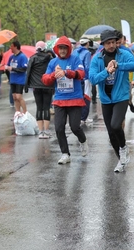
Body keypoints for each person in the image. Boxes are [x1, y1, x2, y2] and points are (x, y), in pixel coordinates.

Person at [89, 29, 134, 172]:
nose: (111, 45)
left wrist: (118, 66)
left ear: (117, 42)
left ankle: (123, 149)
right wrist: (107, 72)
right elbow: (92, 78)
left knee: (116, 125)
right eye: (108, 43)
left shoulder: (123, 54)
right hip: (106, 98)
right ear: (103, 44)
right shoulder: (97, 59)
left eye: (113, 42)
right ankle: (121, 160)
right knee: (110, 132)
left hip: (121, 96)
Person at [42, 36, 88, 164]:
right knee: (59, 128)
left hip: (75, 99)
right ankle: (65, 154)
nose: (62, 50)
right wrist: (54, 75)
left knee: (75, 127)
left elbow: (81, 74)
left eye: (64, 48)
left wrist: (66, 73)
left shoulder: (75, 59)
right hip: (60, 100)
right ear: (57, 49)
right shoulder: (52, 63)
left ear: (69, 49)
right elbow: (45, 80)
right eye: (60, 48)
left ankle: (83, 141)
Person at [25, 41, 54, 139]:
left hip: (36, 86)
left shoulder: (32, 58)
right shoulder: (49, 58)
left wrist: (26, 85)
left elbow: (28, 72)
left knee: (39, 108)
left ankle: (40, 132)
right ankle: (46, 131)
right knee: (46, 108)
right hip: (48, 85)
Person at [6, 41, 28, 113]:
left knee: (19, 97)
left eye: (11, 46)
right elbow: (8, 66)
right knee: (14, 97)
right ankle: (17, 112)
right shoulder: (11, 57)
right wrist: (6, 69)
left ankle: (25, 112)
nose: (10, 48)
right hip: (13, 80)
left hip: (20, 80)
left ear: (15, 47)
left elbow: (24, 69)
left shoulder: (22, 56)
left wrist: (13, 69)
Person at [74, 38, 92, 124]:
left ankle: (78, 116)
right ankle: (84, 117)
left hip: (76, 77)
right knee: (86, 97)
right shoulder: (87, 53)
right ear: (87, 43)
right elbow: (87, 66)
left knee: (78, 96)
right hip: (85, 78)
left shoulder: (75, 51)